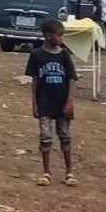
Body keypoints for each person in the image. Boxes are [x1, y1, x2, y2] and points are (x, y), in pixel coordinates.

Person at [25, 19, 77, 187]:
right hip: (44, 103)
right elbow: (35, 80)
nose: (62, 38)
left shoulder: (64, 55)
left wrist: (70, 101)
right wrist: (34, 103)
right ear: (48, 35)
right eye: (59, 35)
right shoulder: (36, 55)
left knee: (65, 136)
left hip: (62, 103)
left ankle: (69, 172)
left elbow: (72, 79)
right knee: (45, 137)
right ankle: (46, 172)